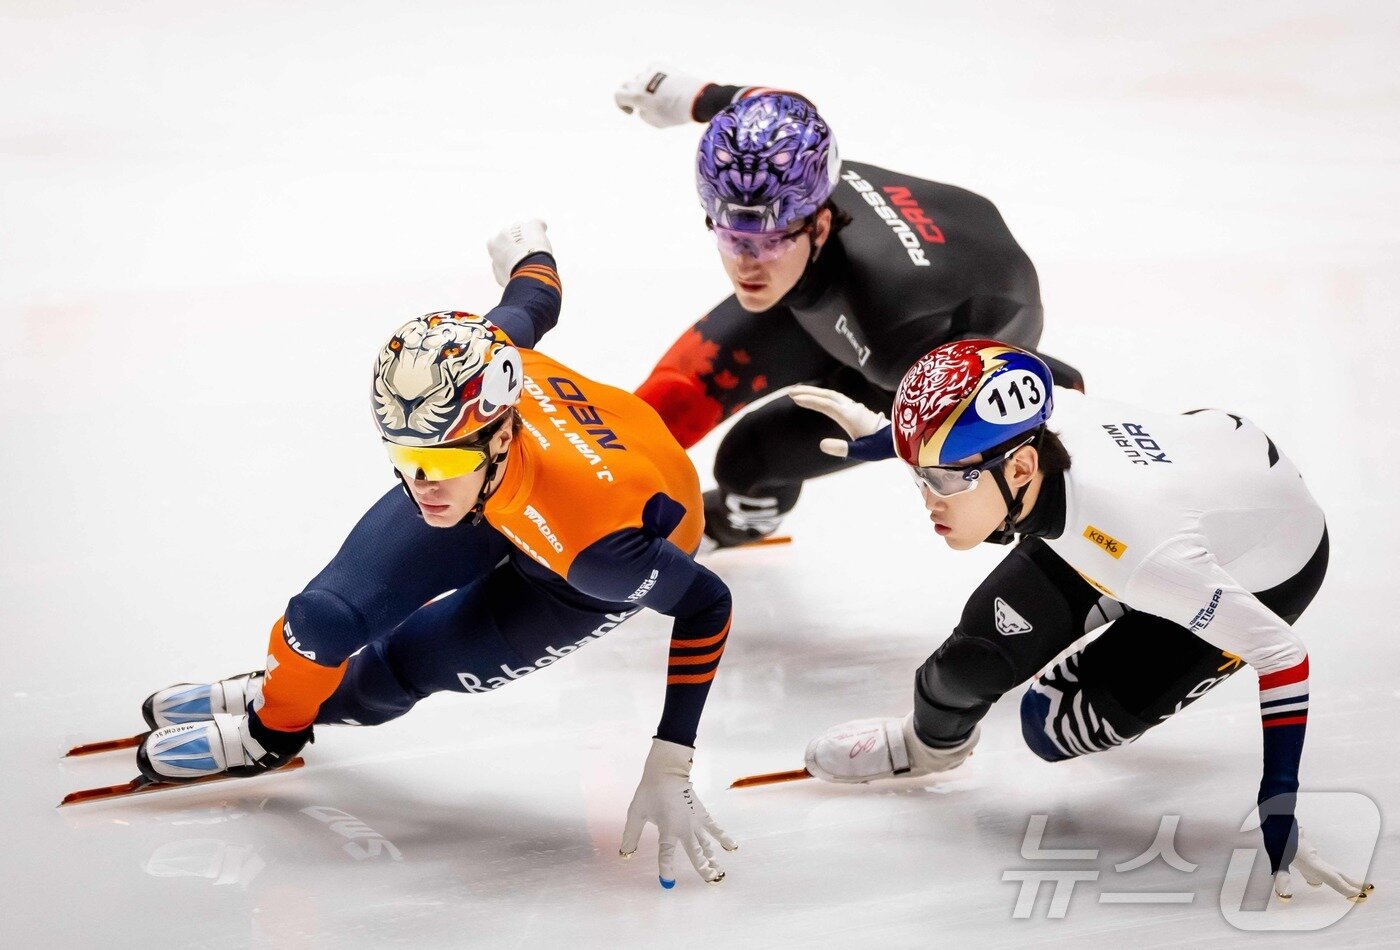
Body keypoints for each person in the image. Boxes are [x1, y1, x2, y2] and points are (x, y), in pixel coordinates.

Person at [136, 221, 737, 889]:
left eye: (441, 460)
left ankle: (301, 706)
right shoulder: (477, 368)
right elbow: (534, 298)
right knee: (324, 618)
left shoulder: (602, 552)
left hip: (586, 546)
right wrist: (530, 250)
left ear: (501, 432)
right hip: (509, 489)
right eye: (405, 455)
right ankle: (272, 724)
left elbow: (708, 603)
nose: (423, 484)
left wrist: (672, 754)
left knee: (401, 668)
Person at [792, 339, 1371, 902]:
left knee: (1049, 724)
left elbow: (1282, 654)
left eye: (944, 478)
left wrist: (1278, 802)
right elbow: (1049, 384)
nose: (928, 499)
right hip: (1180, 492)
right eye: (918, 474)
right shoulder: (1039, 427)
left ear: (1022, 467)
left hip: (1259, 563)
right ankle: (925, 747)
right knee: (969, 667)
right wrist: (890, 439)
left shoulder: (1148, 554)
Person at [615, 66, 1083, 548]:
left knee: (747, 460)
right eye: (731, 237)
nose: (745, 264)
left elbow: (1064, 386)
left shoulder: (903, 328)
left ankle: (739, 521)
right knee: (659, 409)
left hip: (920, 351)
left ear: (819, 226)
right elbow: (784, 109)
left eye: (769, 242)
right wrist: (701, 97)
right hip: (836, 295)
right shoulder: (790, 164)